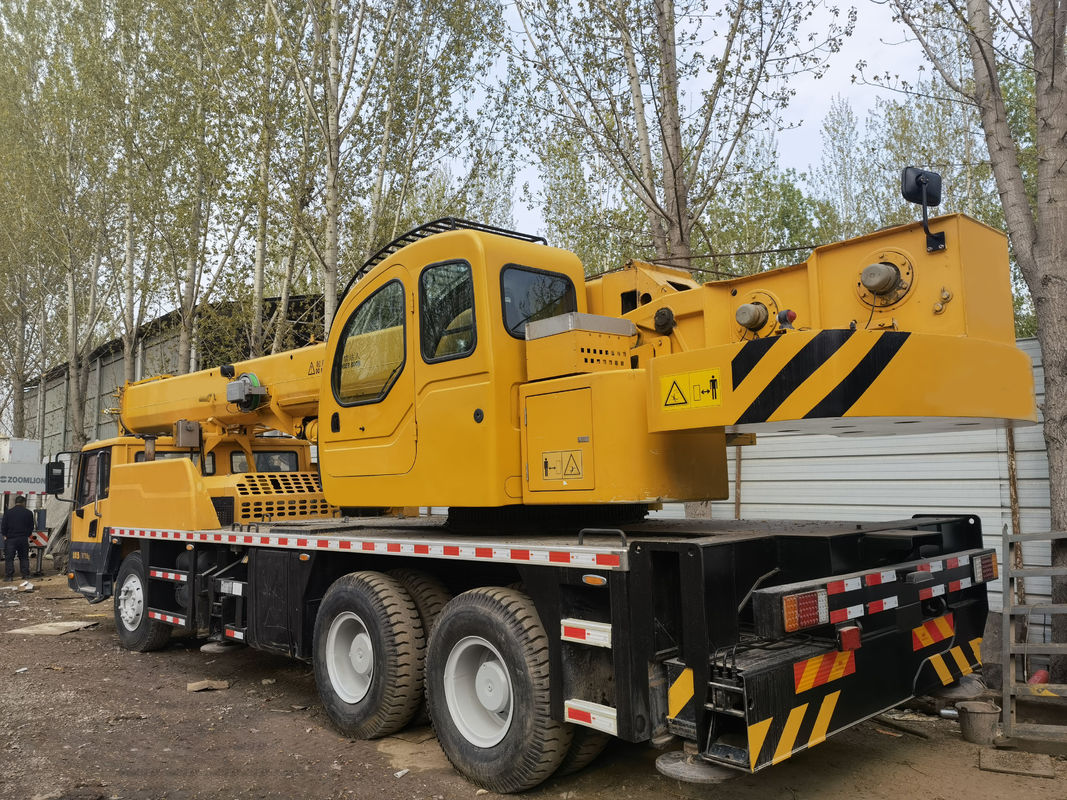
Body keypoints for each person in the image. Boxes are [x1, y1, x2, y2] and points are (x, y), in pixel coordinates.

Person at [3, 495, 34, 582]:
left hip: (11, 539)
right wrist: (27, 534)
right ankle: (26, 575)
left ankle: (9, 576)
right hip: (23, 538)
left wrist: (5, 535)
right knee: (24, 557)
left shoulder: (8, 513)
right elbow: (31, 526)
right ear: (23, 502)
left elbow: (4, 526)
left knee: (9, 558)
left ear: (15, 502)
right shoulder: (28, 513)